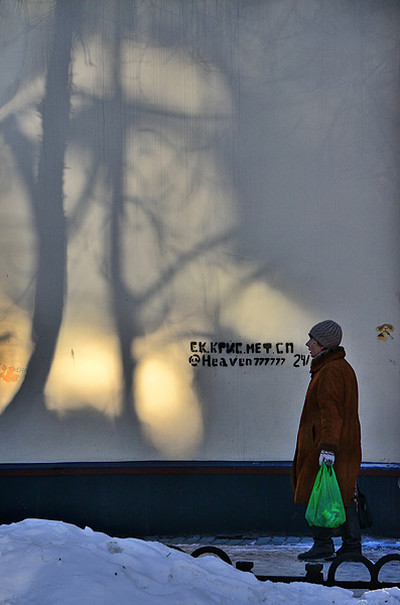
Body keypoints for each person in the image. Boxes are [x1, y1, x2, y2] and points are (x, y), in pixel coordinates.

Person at [291, 320, 362, 561]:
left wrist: (328, 448)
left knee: (317, 491)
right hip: (343, 444)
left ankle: (323, 544)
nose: (307, 344)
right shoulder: (340, 367)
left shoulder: (330, 371)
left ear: (323, 345)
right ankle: (351, 546)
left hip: (325, 444)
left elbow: (330, 412)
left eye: (312, 340)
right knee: (343, 494)